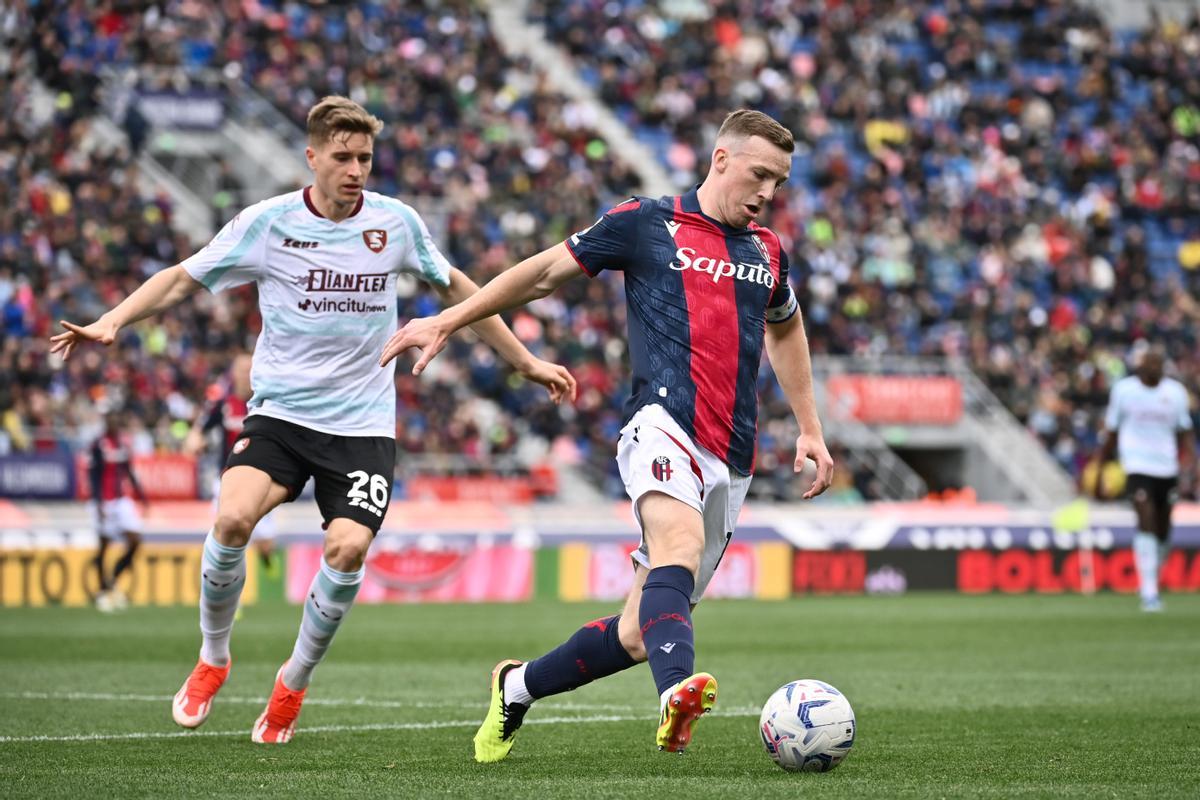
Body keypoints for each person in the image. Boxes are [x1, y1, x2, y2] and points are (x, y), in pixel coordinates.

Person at [50, 95, 576, 744]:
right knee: (233, 517)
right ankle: (214, 657)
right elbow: (184, 279)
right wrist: (113, 320)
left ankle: (292, 682)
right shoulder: (266, 224)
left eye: (365, 158)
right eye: (343, 157)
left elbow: (460, 290)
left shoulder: (397, 224)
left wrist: (523, 360)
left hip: (362, 427)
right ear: (313, 157)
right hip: (281, 415)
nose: (356, 169)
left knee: (347, 546)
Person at [381, 109, 834, 759]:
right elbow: (540, 274)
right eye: (759, 174)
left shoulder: (768, 252)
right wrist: (449, 320)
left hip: (733, 455)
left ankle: (518, 686)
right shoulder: (645, 223)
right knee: (675, 545)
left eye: (780, 183)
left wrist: (811, 429)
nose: (767, 193)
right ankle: (675, 694)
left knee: (636, 633)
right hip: (661, 425)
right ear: (721, 159)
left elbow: (786, 328)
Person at [1095, 347, 1194, 612]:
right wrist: (1099, 470)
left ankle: (1151, 579)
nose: (1151, 369)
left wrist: (1192, 466)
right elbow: (1112, 432)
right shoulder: (1124, 391)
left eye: (1156, 365)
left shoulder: (1174, 393)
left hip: (1166, 468)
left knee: (1163, 530)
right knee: (1146, 520)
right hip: (1137, 466)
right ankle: (1149, 592)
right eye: (1147, 365)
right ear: (1138, 368)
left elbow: (1184, 432)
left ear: (1162, 368)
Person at [184, 352, 281, 581]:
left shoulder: (267, 403)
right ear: (233, 373)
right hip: (227, 479)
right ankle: (224, 590)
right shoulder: (223, 404)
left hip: (261, 480)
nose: (245, 374)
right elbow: (200, 428)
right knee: (226, 534)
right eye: (240, 369)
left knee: (265, 543)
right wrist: (195, 438)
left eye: (249, 369)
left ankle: (266, 558)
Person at [89, 409, 148, 612]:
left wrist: (142, 496)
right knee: (103, 547)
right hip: (104, 501)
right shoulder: (98, 444)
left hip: (122, 500)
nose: (114, 423)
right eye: (111, 420)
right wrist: (97, 504)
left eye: (116, 420)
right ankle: (103, 591)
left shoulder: (123, 443)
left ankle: (113, 577)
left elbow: (129, 471)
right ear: (106, 423)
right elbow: (93, 475)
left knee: (136, 540)